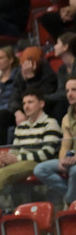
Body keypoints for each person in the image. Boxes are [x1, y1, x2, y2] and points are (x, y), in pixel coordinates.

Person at [33, 77, 76, 206]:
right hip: (72, 158)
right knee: (40, 169)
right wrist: (62, 159)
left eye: (74, 90)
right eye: (67, 90)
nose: (69, 94)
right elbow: (65, 145)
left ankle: (69, 201)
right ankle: (73, 197)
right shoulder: (66, 118)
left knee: (75, 171)